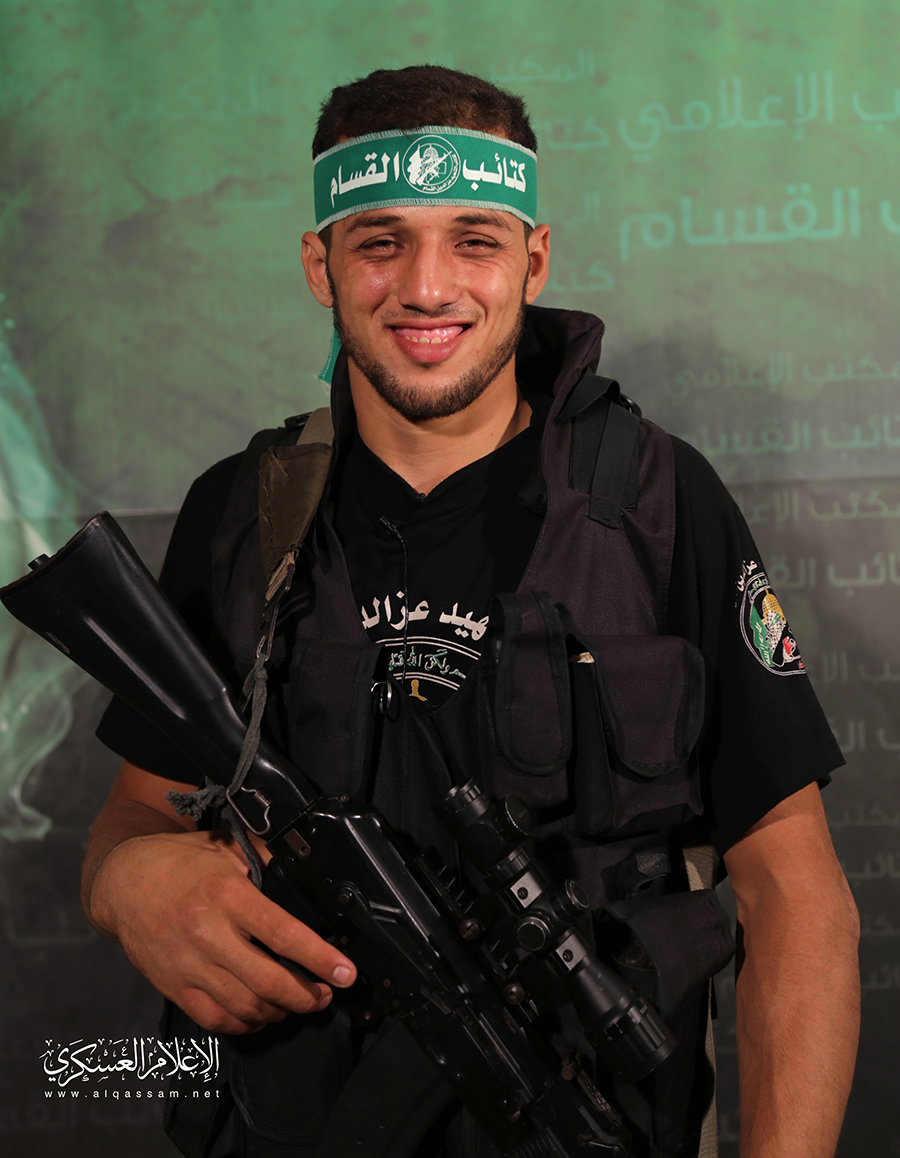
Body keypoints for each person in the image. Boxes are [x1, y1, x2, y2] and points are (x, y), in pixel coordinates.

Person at [84, 65, 860, 1158]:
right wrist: (125, 879)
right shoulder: (241, 511)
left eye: (474, 240)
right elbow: (136, 814)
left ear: (534, 260)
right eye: (380, 241)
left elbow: (796, 892)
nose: (427, 286)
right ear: (318, 264)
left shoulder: (657, 499)